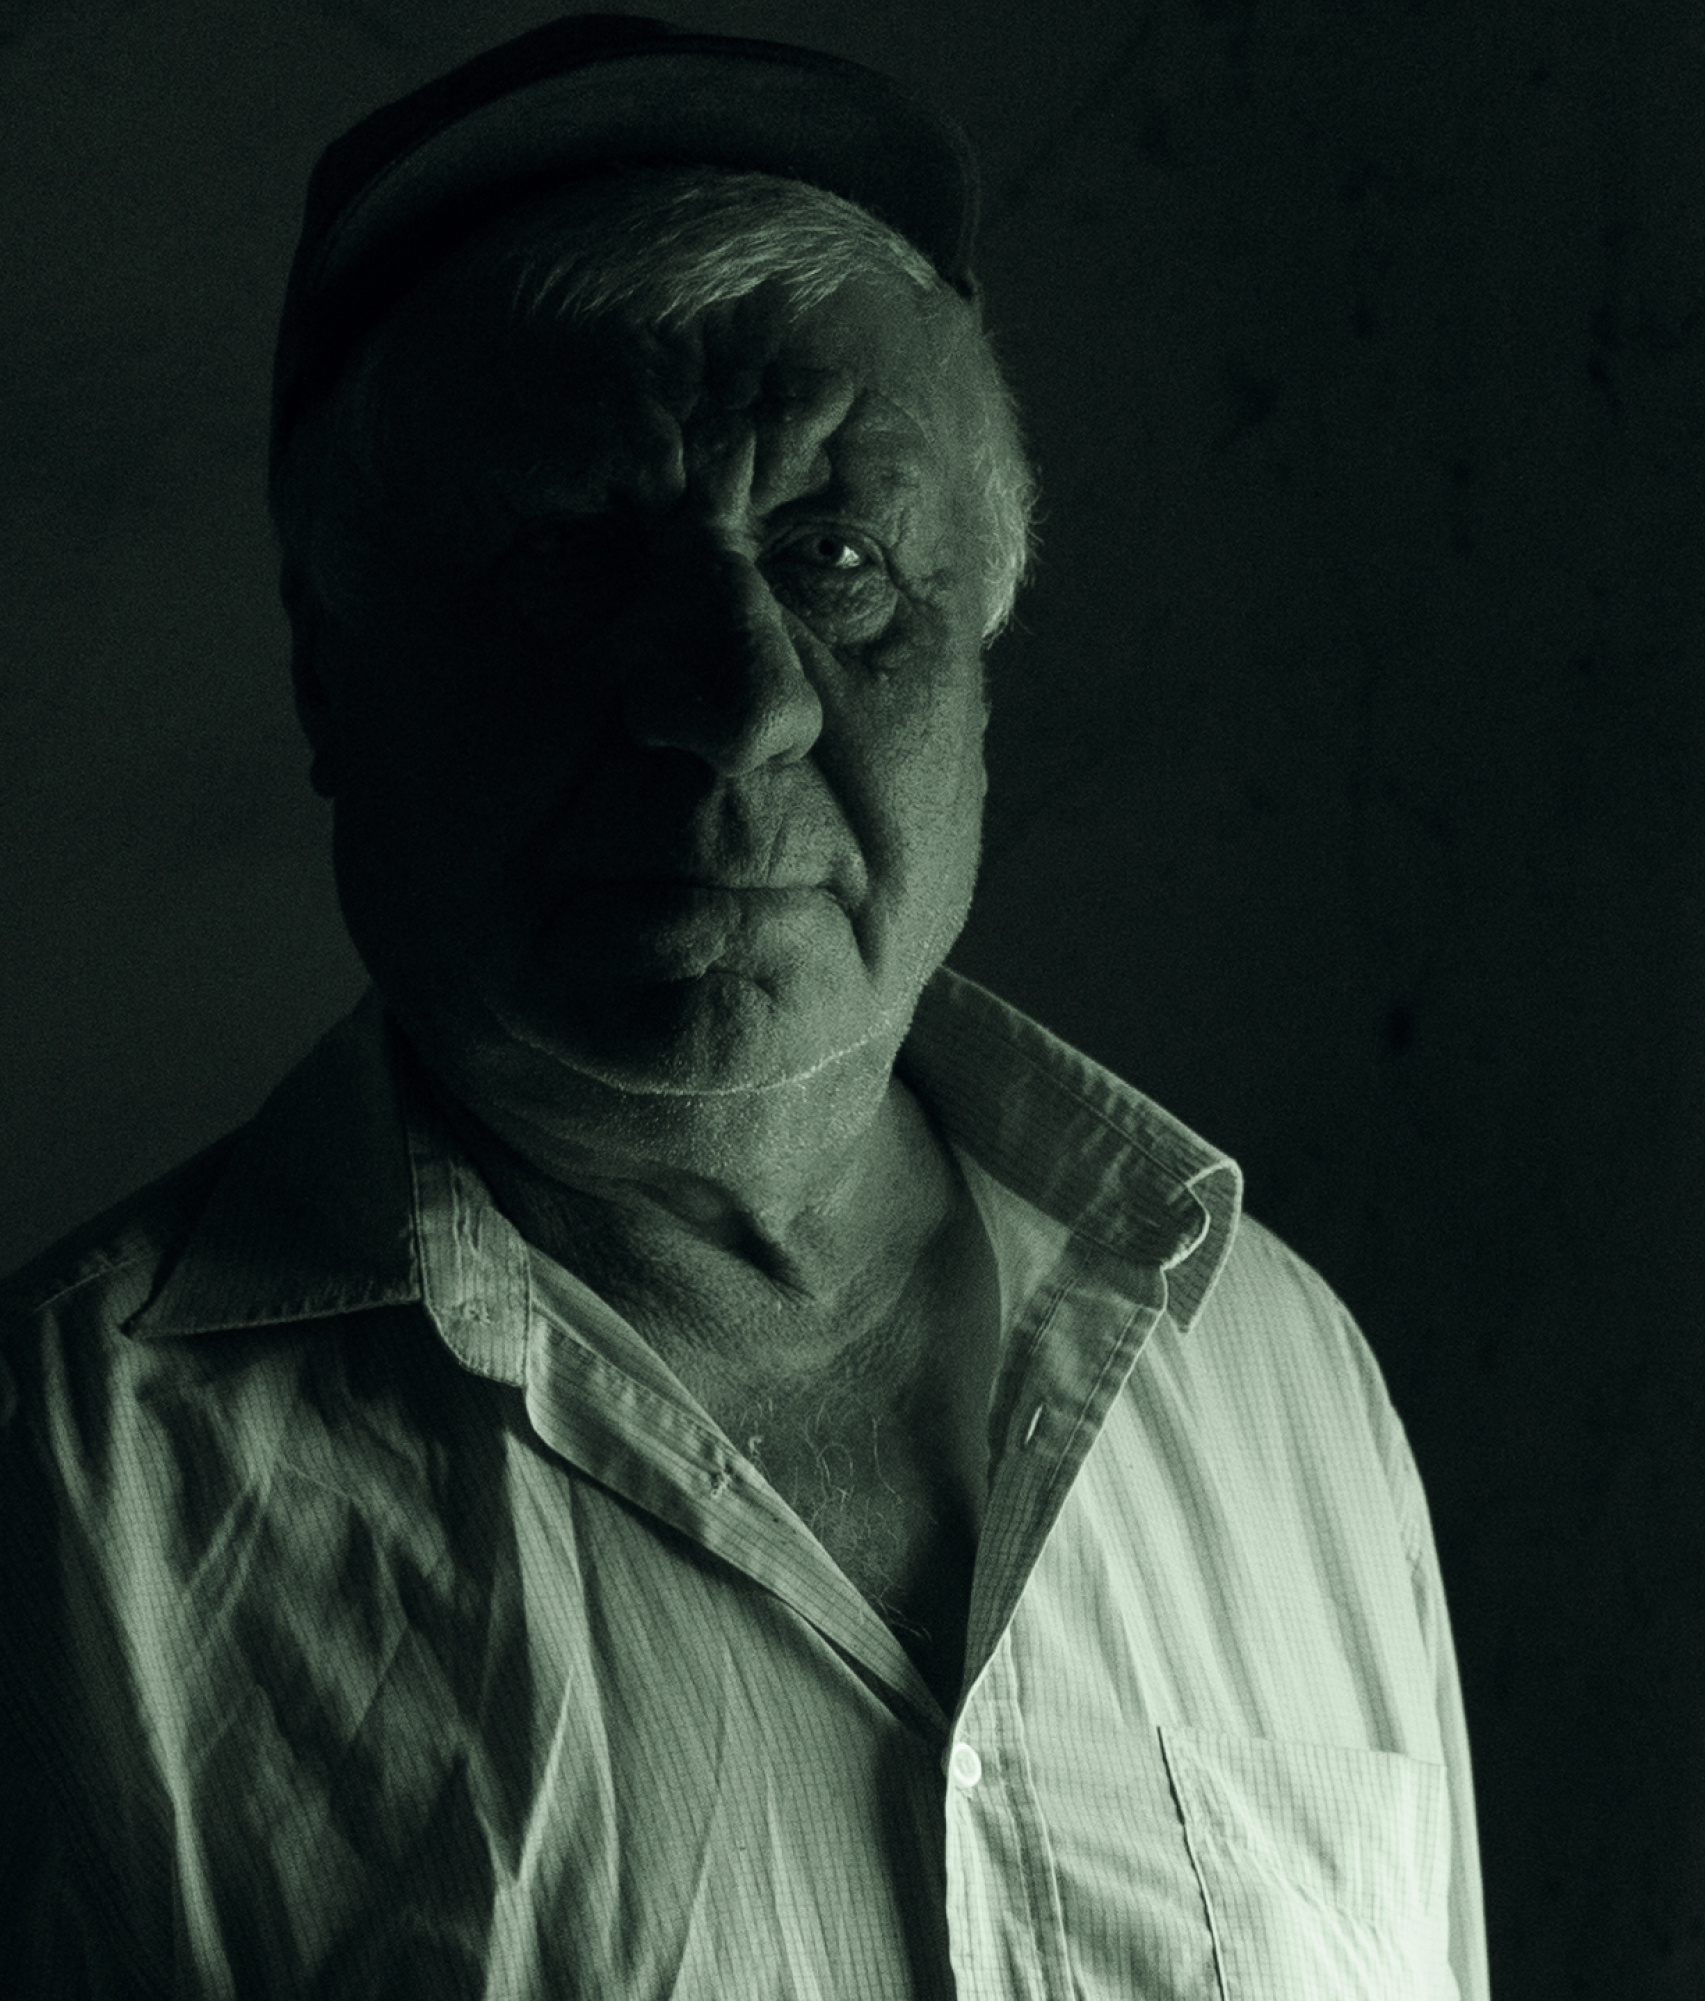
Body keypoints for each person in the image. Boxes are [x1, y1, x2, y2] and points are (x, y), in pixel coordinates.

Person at [0, 18, 1485, 1999]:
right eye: (569, 564)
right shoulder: (70, 1496)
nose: (736, 697)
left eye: (838, 555)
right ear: (330, 665)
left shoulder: (1275, 1376)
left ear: (980, 646)